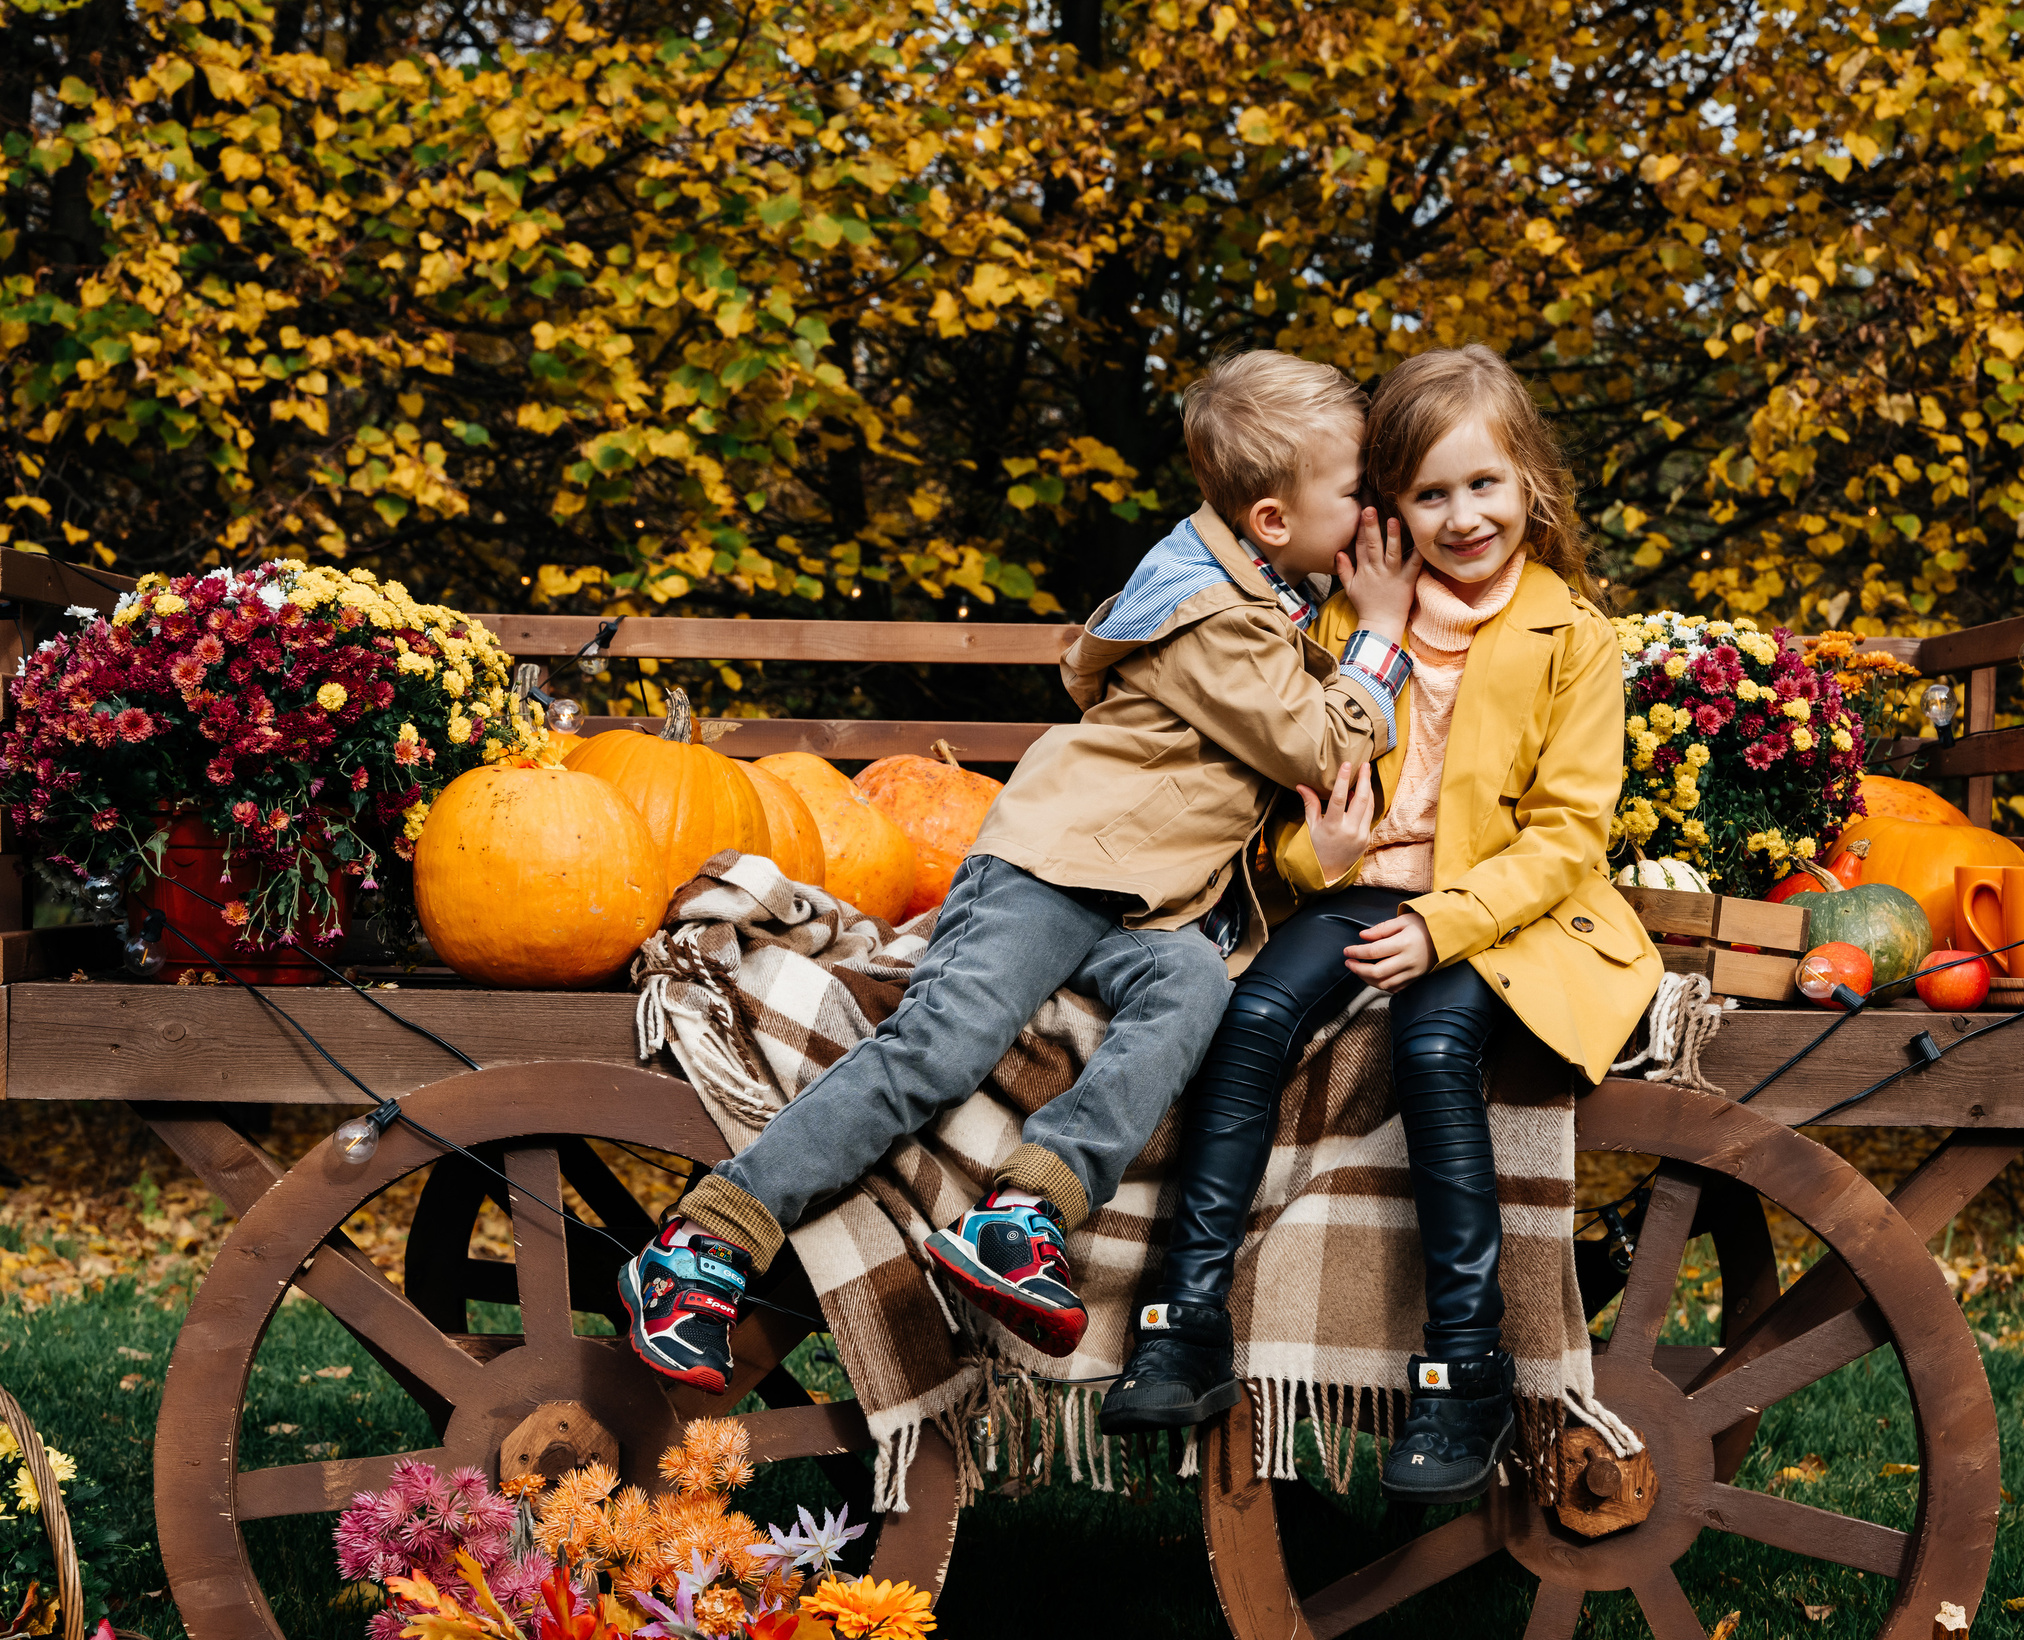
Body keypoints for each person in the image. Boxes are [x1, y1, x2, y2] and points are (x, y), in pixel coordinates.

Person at [618, 350, 1424, 1394]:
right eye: (1358, 491)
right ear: (1272, 521)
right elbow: (1318, 746)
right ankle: (703, 1242)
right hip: (1052, 869)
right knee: (938, 1047)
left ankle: (1023, 1211)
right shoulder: (1215, 614)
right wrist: (1387, 636)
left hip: (1146, 906)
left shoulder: (1273, 590)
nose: (1374, 514)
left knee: (1186, 991)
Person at [1099, 346, 1662, 1503]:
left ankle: (1467, 1364)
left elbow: (1565, 837)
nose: (1464, 516)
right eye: (1431, 494)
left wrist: (1444, 924)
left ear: (1530, 487)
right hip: (1365, 890)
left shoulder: (1576, 640)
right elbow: (1304, 824)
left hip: (1504, 913)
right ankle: (1186, 1316)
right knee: (1251, 1014)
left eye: (1485, 486)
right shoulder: (1362, 628)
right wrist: (1329, 857)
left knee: (1434, 1043)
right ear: (1390, 512)